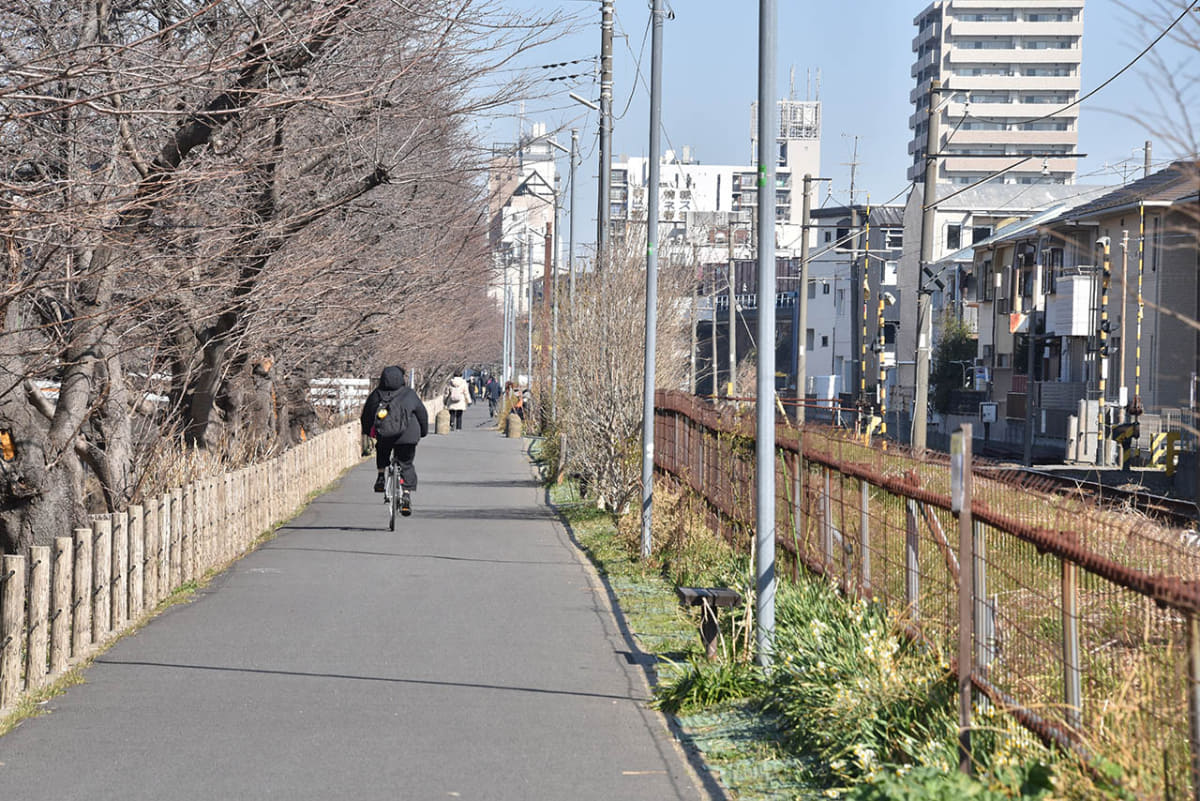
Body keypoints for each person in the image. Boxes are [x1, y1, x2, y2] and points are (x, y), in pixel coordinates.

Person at [361, 366, 428, 510]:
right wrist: (423, 432)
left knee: (382, 449)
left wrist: (368, 432)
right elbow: (422, 414)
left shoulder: (377, 394)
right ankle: (406, 494)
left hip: (385, 434)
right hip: (408, 436)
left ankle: (380, 476)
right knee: (406, 463)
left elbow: (366, 416)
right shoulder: (409, 394)